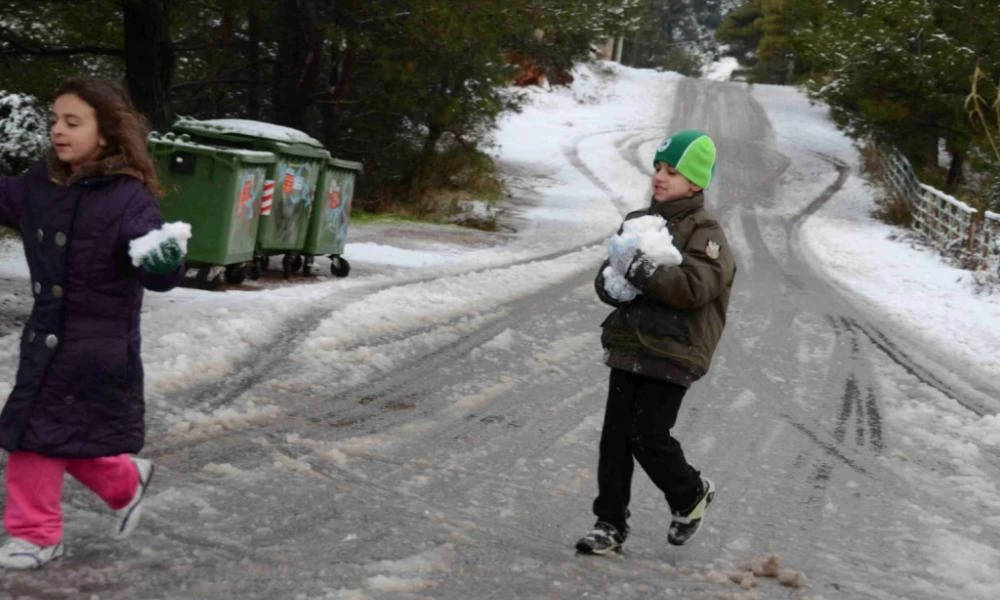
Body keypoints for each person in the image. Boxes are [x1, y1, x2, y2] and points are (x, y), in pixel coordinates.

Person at [0, 77, 187, 569]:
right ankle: (124, 480)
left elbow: (158, 270)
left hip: (97, 346)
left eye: (72, 122)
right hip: (46, 339)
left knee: (32, 435)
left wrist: (164, 258)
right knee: (58, 431)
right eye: (54, 120)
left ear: (103, 133)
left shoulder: (127, 197)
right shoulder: (37, 187)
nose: (58, 131)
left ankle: (37, 535)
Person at [576, 129, 736, 555]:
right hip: (630, 344)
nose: (660, 177)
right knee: (615, 438)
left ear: (696, 183)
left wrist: (641, 270)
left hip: (674, 351)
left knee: (648, 435)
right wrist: (613, 285)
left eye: (673, 171)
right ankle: (609, 522)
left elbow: (692, 288)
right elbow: (612, 273)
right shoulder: (639, 222)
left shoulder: (707, 234)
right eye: (658, 168)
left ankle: (690, 491)